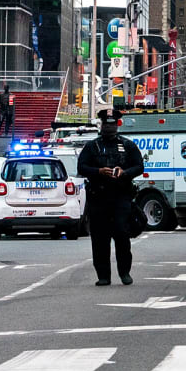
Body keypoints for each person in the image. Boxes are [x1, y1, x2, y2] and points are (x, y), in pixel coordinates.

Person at [77, 108, 145, 286]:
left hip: (120, 197)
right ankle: (103, 275)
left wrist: (124, 173)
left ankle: (124, 272)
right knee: (100, 239)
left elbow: (139, 167)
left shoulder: (127, 145)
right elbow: (81, 167)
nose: (110, 128)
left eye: (113, 124)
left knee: (122, 235)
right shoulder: (92, 146)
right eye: (107, 125)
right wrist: (99, 171)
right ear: (102, 125)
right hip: (98, 197)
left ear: (117, 125)